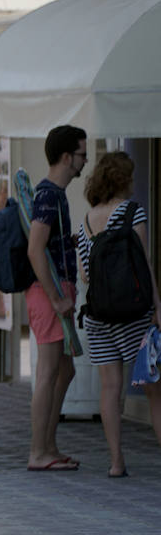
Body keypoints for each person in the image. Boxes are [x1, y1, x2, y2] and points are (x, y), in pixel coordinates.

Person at [76, 151, 161, 477]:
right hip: (134, 316)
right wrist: (157, 305)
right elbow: (144, 262)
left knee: (109, 388)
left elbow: (85, 274)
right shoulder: (132, 212)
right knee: (154, 389)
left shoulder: (86, 220)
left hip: (98, 315)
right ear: (124, 179)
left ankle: (116, 462)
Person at [27, 125, 88, 472]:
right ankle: (39, 451)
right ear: (67, 157)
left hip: (55, 290)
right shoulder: (49, 195)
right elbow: (36, 249)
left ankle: (48, 445)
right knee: (49, 372)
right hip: (50, 293)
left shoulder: (52, 194)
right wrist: (55, 297)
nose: (85, 161)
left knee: (64, 370)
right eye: (82, 154)